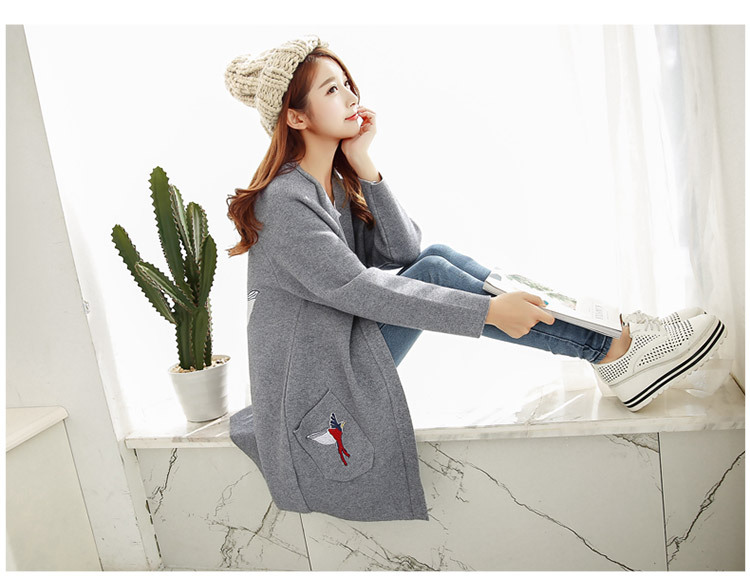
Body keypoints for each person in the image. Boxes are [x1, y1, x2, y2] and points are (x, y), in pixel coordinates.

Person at [222, 35, 728, 522]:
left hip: (342, 351)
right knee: (437, 269)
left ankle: (610, 337)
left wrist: (363, 161)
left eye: (348, 83)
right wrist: (488, 312)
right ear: (296, 116)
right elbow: (359, 288)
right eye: (332, 89)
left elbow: (405, 251)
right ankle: (614, 349)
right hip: (320, 381)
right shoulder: (284, 202)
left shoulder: (329, 184)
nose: (353, 97)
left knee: (437, 256)